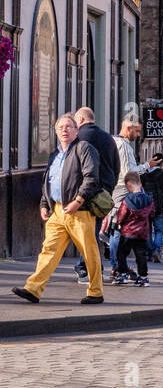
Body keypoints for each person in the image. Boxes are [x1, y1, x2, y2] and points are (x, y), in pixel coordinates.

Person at [12, 114, 104, 305]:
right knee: (48, 250)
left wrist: (78, 201)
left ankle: (95, 292)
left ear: (76, 130)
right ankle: (33, 289)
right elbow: (49, 181)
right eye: (60, 127)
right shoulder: (55, 154)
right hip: (58, 210)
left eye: (69, 127)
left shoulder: (84, 148)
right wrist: (44, 204)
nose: (64, 130)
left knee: (89, 251)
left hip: (80, 211)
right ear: (55, 132)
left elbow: (91, 178)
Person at [71, 105, 119, 285]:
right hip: (103, 192)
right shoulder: (108, 137)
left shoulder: (78, 137)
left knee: (84, 232)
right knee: (91, 230)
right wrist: (108, 188)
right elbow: (116, 165)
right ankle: (88, 265)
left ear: (81, 120)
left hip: (82, 191)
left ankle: (87, 267)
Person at [108, 120, 160, 281]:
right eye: (136, 131)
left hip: (121, 192)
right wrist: (146, 166)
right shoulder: (122, 145)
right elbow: (127, 173)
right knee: (117, 231)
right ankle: (117, 267)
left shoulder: (117, 143)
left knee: (118, 231)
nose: (138, 136)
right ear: (128, 128)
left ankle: (119, 267)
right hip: (122, 192)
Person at [115, 173, 155, 285]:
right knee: (141, 255)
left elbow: (121, 215)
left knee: (121, 254)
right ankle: (143, 277)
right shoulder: (149, 200)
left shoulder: (127, 200)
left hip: (128, 232)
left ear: (128, 186)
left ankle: (123, 275)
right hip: (142, 232)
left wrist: (119, 223)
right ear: (140, 184)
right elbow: (152, 214)